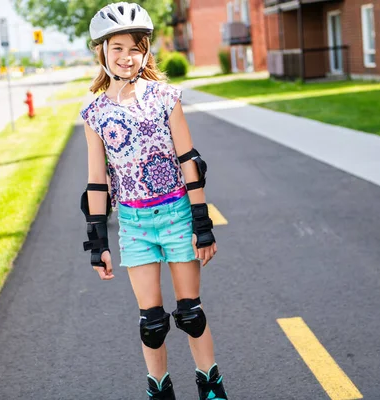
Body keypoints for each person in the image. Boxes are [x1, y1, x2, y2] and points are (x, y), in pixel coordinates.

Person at [79, 3, 227, 399]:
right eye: (117, 48)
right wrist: (98, 243)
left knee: (191, 314)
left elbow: (189, 162)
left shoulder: (165, 97)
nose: (127, 57)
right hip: (134, 222)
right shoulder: (94, 112)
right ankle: (159, 391)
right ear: (102, 52)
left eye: (135, 48)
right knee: (152, 322)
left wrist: (202, 223)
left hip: (178, 214)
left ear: (145, 52)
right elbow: (97, 183)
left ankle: (211, 388)